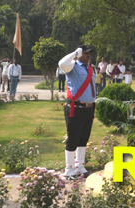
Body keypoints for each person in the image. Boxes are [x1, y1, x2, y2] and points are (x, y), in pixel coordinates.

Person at [54, 47, 101, 177]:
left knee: (83, 139)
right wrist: (75, 53)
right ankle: (69, 170)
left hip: (89, 108)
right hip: (76, 108)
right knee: (73, 138)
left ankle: (80, 166)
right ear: (79, 54)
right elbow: (61, 64)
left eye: (89, 53)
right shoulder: (72, 66)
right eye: (85, 53)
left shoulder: (90, 68)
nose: (88, 56)